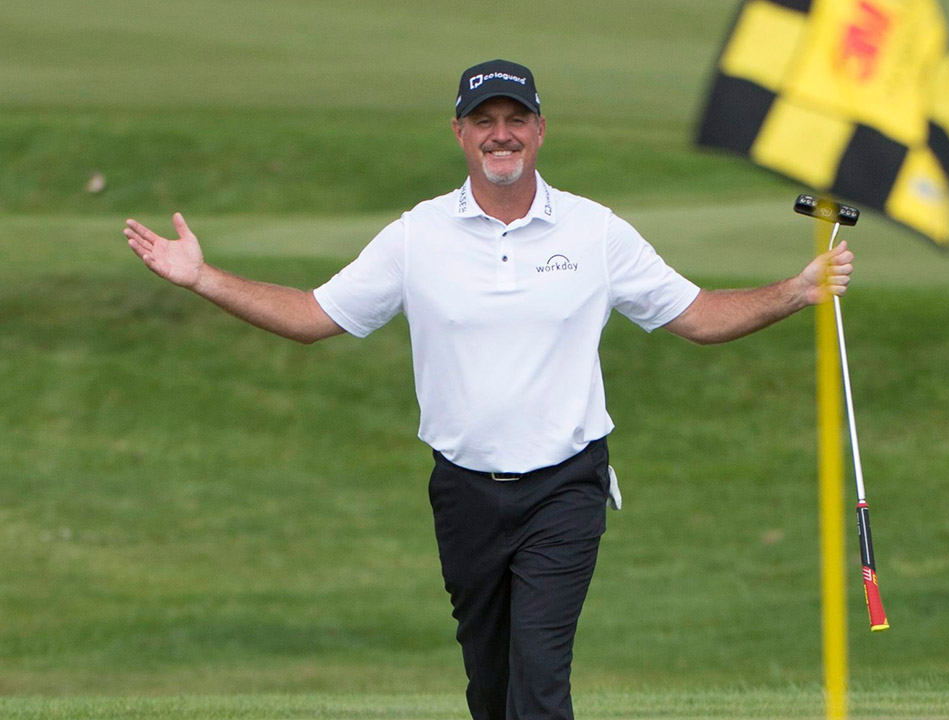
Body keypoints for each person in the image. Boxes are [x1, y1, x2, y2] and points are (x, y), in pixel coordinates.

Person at [123, 59, 853, 720]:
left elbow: (695, 316)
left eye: (514, 120)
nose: (500, 135)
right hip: (464, 493)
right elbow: (315, 317)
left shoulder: (593, 231)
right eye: (485, 121)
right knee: (490, 687)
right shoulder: (419, 235)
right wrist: (203, 278)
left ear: (539, 130)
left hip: (565, 486)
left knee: (539, 681)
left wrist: (793, 292)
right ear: (460, 133)